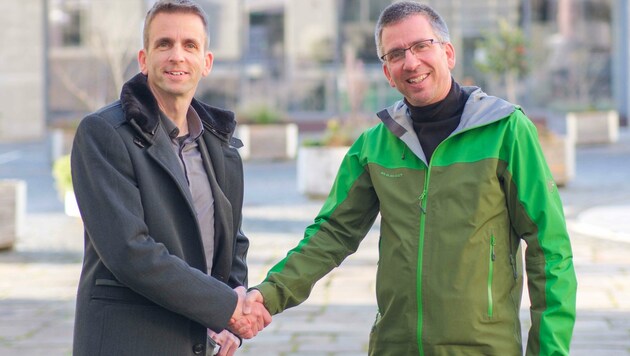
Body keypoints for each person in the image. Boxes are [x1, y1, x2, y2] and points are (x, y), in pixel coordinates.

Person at [241, 2, 577, 355]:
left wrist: (549, 351)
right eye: (396, 53)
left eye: (421, 46)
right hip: (394, 346)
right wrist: (267, 295)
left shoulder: (506, 131)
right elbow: (332, 234)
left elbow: (550, 250)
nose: (411, 62)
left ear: (448, 53)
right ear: (387, 72)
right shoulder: (374, 145)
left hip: (482, 347)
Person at [70, 1, 269, 355]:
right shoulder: (103, 134)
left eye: (190, 45)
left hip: (197, 343)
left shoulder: (220, 145)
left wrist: (228, 319)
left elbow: (232, 240)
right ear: (144, 60)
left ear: (206, 63)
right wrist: (226, 306)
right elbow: (131, 252)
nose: (177, 56)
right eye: (164, 44)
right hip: (129, 342)